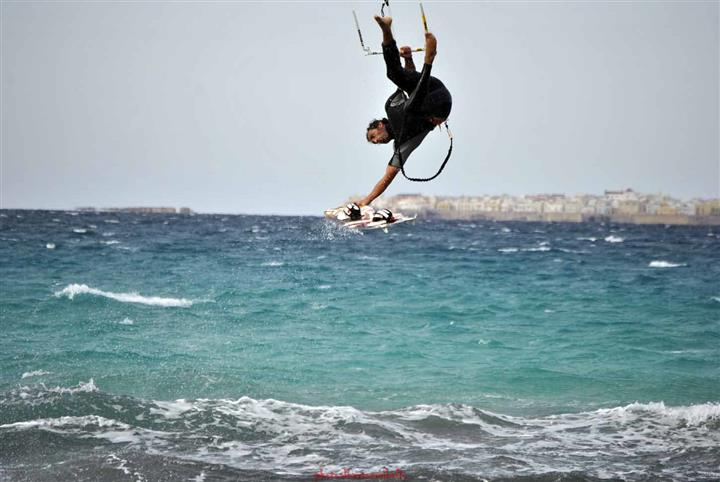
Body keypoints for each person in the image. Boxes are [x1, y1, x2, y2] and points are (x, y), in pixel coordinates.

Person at [358, 15, 452, 207]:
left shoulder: (390, 106)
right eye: (373, 142)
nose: (375, 141)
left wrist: (408, 60)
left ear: (380, 125)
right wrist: (366, 201)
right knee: (411, 109)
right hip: (440, 108)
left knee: (393, 74)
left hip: (435, 89)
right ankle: (427, 58)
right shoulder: (402, 145)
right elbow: (388, 176)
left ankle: (386, 30)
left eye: (373, 136)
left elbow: (409, 81)